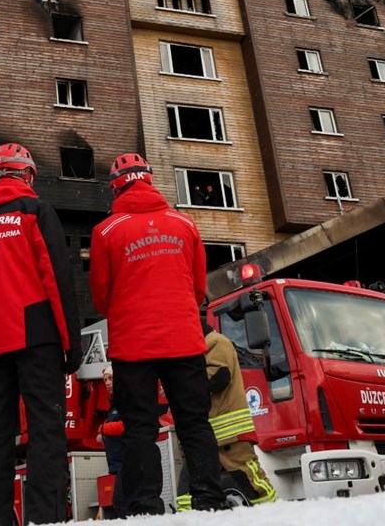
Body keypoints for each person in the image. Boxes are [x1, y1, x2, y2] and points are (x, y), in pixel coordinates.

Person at [89, 153, 224, 514]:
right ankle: (208, 499)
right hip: (183, 340)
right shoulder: (185, 224)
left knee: (139, 427)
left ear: (116, 186)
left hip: (133, 346)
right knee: (195, 421)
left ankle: (146, 506)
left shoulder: (105, 231)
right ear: (149, 179)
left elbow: (101, 294)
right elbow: (198, 289)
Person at [0, 143, 82, 526]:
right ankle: (46, 518)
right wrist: (71, 342)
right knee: (46, 427)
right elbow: (57, 279)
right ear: (27, 175)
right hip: (36, 335)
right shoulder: (35, 212)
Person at [184, 323, 275, 508]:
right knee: (189, 486)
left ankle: (274, 514)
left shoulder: (215, 341)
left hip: (229, 433)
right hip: (205, 435)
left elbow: (218, 377)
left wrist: (181, 385)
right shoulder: (202, 346)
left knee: (252, 482)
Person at [97, 366, 128, 518]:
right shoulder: (114, 405)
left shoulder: (124, 400)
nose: (108, 383)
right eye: (105, 380)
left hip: (127, 460)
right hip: (119, 463)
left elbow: (126, 426)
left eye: (111, 378)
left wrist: (104, 429)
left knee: (121, 503)